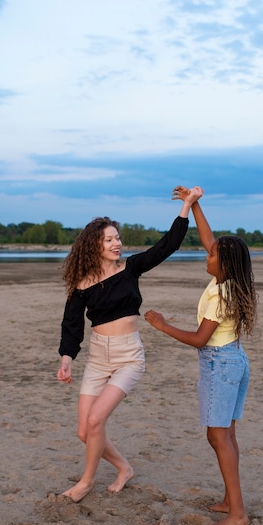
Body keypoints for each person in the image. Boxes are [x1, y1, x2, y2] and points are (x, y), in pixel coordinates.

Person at [56, 187, 203, 502]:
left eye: (117, 238)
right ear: (94, 244)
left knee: (96, 421)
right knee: (85, 431)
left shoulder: (131, 267)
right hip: (97, 359)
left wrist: (187, 207)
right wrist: (67, 358)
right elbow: (71, 324)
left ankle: (86, 482)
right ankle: (124, 467)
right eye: (109, 239)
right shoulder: (81, 283)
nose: (116, 243)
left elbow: (167, 245)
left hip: (128, 357)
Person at [144, 186, 257, 525]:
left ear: (223, 265)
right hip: (234, 361)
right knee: (226, 435)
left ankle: (237, 514)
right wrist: (194, 206)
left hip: (220, 365)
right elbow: (211, 240)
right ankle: (230, 500)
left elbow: (198, 340)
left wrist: (163, 326)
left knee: (218, 437)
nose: (206, 256)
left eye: (211, 256)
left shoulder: (220, 295)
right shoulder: (231, 279)